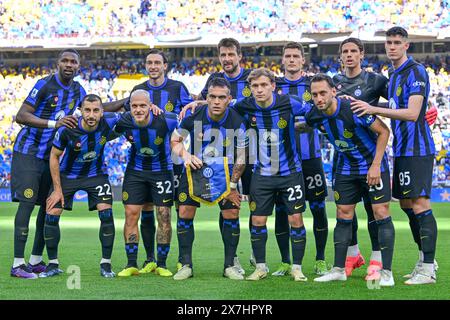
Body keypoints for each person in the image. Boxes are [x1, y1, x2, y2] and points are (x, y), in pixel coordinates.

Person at [350, 26, 438, 285]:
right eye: (388, 42)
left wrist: (372, 107)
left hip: (418, 149)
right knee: (407, 205)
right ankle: (423, 261)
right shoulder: (394, 75)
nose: (391, 46)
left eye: (397, 42)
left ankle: (429, 268)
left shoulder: (416, 71)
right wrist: (367, 105)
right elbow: (399, 105)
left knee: (420, 204)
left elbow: (411, 112)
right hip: (401, 149)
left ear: (406, 45)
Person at [109, 49, 194, 274]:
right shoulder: (138, 95)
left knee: (170, 212)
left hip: (170, 162)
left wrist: (184, 150)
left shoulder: (177, 89)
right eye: (149, 62)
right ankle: (146, 260)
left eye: (158, 62)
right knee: (142, 211)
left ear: (165, 65)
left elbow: (188, 115)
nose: (153, 66)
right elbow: (113, 120)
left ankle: (176, 261)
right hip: (138, 168)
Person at [306, 74, 395, 286]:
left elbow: (384, 132)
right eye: (315, 95)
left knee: (380, 212)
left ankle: (387, 274)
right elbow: (308, 125)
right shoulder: (314, 116)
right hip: (346, 169)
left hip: (372, 167)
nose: (319, 98)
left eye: (323, 93)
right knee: (343, 214)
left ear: (334, 92)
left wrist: (375, 165)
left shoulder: (353, 109)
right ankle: (338, 269)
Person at [10, 49, 86, 279]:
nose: (69, 64)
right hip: (29, 152)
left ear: (78, 67)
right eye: (65, 60)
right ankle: (17, 264)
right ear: (58, 63)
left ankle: (35, 260)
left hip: (51, 157)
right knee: (27, 203)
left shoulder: (78, 90)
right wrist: (55, 124)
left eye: (73, 61)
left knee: (47, 205)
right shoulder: (44, 85)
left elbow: (98, 107)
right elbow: (21, 116)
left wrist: (131, 100)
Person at [181, 38, 252, 274]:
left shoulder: (251, 79)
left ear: (239, 55)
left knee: (240, 209)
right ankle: (186, 264)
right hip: (203, 162)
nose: (227, 58)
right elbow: (181, 132)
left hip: (243, 156)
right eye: (223, 54)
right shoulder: (211, 84)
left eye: (231, 54)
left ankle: (237, 260)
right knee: (185, 211)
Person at [170, 77, 247, 280]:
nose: (216, 101)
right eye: (212, 96)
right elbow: (175, 140)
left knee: (232, 214)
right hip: (194, 170)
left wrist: (232, 186)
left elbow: (242, 155)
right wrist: (185, 155)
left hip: (226, 173)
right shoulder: (193, 118)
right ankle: (185, 265)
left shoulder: (237, 120)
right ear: (207, 97)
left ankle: (230, 265)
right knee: (185, 212)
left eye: (221, 97)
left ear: (229, 99)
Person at [42, 94, 120, 278]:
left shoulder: (109, 122)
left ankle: (106, 265)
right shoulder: (68, 129)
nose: (91, 115)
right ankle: (52, 264)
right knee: (52, 214)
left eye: (95, 110)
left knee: (107, 214)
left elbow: (132, 111)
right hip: (67, 176)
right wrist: (57, 189)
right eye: (87, 110)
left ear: (102, 112)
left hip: (96, 175)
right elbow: (53, 156)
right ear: (80, 111)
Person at [274, 42, 330, 276]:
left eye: (296, 56)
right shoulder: (274, 86)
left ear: (303, 60)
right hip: (281, 160)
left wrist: (296, 124)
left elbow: (322, 114)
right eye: (288, 56)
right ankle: (286, 262)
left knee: (317, 208)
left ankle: (320, 259)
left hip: (311, 158)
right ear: (283, 60)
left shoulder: (314, 85)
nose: (292, 60)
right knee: (282, 210)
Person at [114, 89, 178, 278]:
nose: (139, 109)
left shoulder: (167, 120)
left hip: (162, 172)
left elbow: (185, 127)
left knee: (164, 216)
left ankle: (161, 263)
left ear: (150, 106)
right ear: (129, 107)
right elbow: (103, 126)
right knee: (131, 214)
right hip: (135, 173)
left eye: (143, 105)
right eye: (134, 106)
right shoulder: (123, 120)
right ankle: (131, 263)